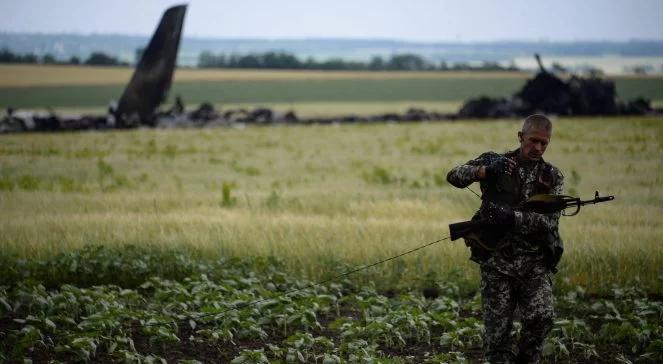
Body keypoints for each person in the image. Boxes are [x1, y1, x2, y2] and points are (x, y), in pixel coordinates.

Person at [446, 114, 564, 363]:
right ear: (520, 137)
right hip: (497, 261)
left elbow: (549, 223)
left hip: (534, 263)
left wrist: (513, 217)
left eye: (544, 143)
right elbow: (454, 176)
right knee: (497, 337)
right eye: (533, 141)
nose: (538, 148)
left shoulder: (552, 177)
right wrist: (485, 170)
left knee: (541, 319)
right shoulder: (497, 162)